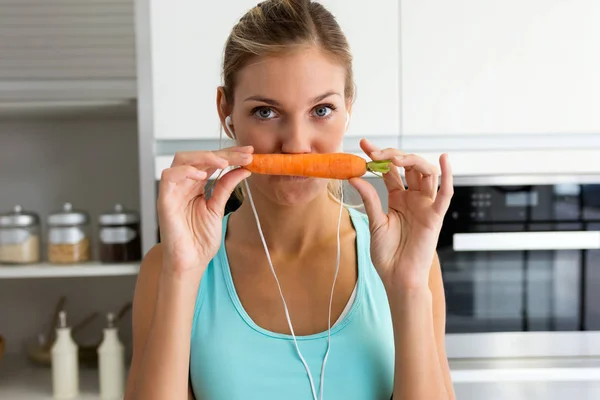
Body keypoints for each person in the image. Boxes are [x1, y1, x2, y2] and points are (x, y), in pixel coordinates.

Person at [124, 1, 455, 399]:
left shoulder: (409, 260)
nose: (296, 145)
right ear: (226, 111)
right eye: (265, 112)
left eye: (322, 109)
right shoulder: (169, 267)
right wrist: (181, 272)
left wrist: (409, 286)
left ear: (348, 108)